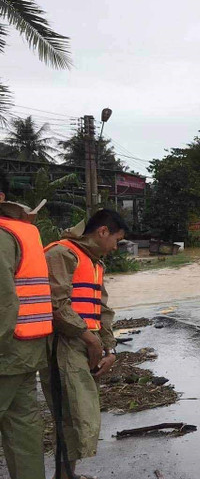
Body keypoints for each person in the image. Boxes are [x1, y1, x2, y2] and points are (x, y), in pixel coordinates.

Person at [42, 209, 128, 479]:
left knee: (79, 415)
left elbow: (101, 309)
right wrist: (89, 338)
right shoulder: (61, 254)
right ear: (103, 232)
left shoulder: (95, 263)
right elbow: (57, 305)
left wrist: (109, 348)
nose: (116, 247)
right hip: (62, 344)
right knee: (72, 416)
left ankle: (66, 475)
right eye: (116, 240)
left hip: (84, 345)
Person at [0, 176, 52, 479]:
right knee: (23, 429)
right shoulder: (26, 231)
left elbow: (3, 303)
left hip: (5, 349)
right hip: (28, 347)